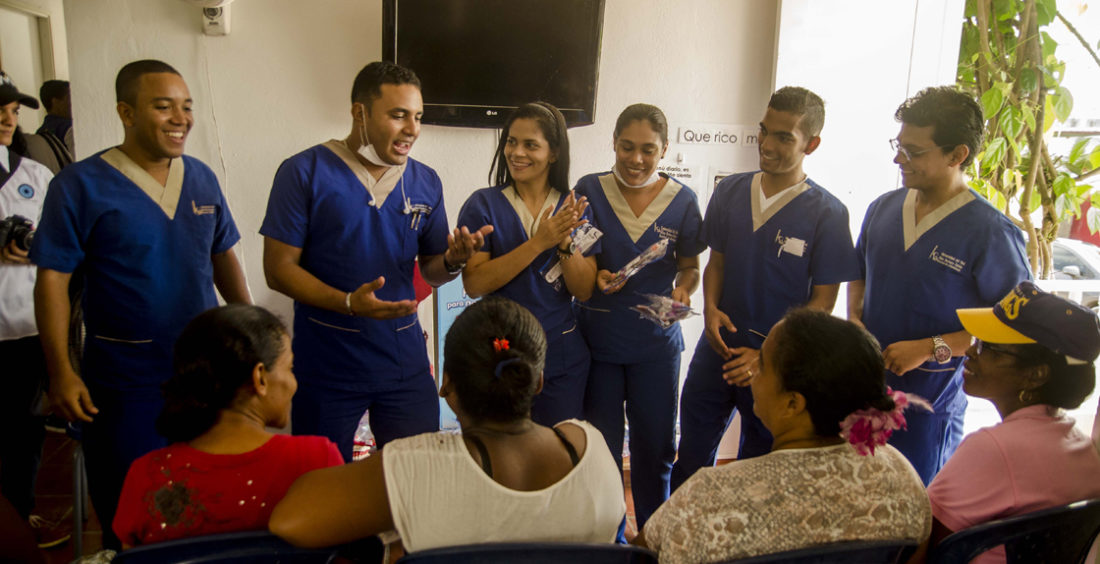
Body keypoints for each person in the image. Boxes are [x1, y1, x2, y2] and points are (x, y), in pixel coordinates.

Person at [31, 59, 251, 550]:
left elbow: (222, 254)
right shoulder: (79, 186)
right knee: (131, 506)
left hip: (201, 372)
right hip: (125, 376)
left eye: (187, 106)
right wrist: (61, 372)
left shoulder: (200, 179)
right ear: (125, 112)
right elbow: (52, 282)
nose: (181, 117)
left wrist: (254, 327)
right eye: (163, 106)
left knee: (201, 497)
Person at [269, 297, 625, 554]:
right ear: (539, 382)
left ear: (446, 385)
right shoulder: (590, 449)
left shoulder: (418, 467)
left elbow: (289, 521)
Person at [260, 61, 489, 461]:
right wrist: (348, 303)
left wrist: (452, 262)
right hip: (328, 362)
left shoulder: (425, 181)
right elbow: (278, 270)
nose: (412, 129)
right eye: (398, 115)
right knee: (324, 482)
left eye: (417, 117)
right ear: (359, 113)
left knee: (417, 475)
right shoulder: (303, 172)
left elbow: (432, 270)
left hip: (402, 361)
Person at [670, 86, 860, 491]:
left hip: (777, 365)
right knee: (691, 458)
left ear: (812, 143)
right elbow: (715, 261)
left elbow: (823, 302)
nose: (766, 145)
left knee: (758, 469)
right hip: (718, 349)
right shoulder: (731, 191)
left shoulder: (827, 214)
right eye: (764, 131)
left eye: (783, 137)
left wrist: (766, 356)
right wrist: (711, 310)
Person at [638, 308, 931, 563]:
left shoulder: (708, 497)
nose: (754, 374)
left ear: (793, 404)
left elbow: (642, 557)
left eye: (762, 365)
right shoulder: (901, 477)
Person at [848, 86, 1031, 484]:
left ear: (957, 154)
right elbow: (859, 269)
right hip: (867, 393)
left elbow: (1013, 325)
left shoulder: (990, 233)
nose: (899, 158)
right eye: (899, 145)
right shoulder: (883, 208)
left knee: (915, 511)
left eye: (914, 150)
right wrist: (855, 318)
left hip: (931, 406)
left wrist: (931, 349)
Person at [113, 305, 343, 548]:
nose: (294, 382)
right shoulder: (317, 459)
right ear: (260, 378)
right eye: (290, 368)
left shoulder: (146, 475)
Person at [575, 103, 704, 535]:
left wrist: (685, 288)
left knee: (656, 447)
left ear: (664, 149)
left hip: (655, 343)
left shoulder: (684, 201)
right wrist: (598, 275)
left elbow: (691, 265)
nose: (636, 159)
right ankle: (610, 535)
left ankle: (654, 533)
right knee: (603, 448)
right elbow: (577, 260)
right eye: (627, 147)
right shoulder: (588, 190)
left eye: (648, 150)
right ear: (613, 143)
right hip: (600, 341)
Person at [911, 282, 1100, 563]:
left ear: (1035, 374)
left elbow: (919, 546)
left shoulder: (991, 449)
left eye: (989, 347)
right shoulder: (1080, 445)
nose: (971, 352)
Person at [457, 102, 597, 426]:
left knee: (558, 452)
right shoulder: (483, 205)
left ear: (554, 153)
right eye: (511, 141)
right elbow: (474, 284)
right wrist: (538, 243)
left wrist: (564, 243)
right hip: (501, 352)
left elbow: (584, 290)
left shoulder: (575, 208)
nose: (516, 152)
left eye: (530, 144)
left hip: (560, 355)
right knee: (502, 455)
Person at [0, 70, 53, 530]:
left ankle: (20, 510)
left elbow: (60, 245)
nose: (7, 118)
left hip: (25, 324)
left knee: (24, 427)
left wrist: (32, 246)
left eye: (13, 110)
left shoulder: (36, 175)